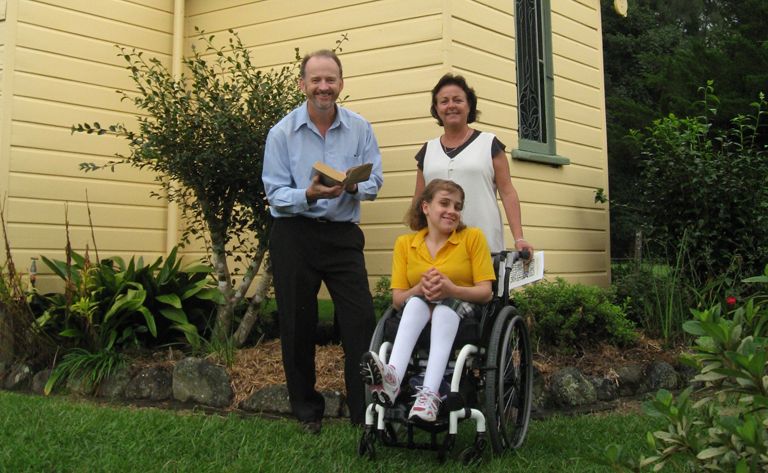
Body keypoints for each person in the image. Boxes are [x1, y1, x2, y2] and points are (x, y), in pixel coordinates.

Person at [262, 49, 384, 433]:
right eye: (316, 80)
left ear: (341, 84)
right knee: (298, 324)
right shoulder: (281, 133)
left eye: (330, 79)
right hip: (294, 235)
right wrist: (310, 194)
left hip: (343, 236)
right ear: (302, 85)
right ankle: (307, 411)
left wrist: (354, 184)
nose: (324, 87)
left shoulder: (360, 128)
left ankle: (363, 411)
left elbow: (376, 182)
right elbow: (274, 195)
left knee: (361, 320)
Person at [361, 179, 495, 422]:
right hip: (418, 308)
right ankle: (392, 380)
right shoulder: (405, 244)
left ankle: (430, 395)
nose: (452, 211)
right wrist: (419, 288)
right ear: (425, 207)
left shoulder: (471, 238)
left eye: (457, 206)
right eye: (444, 203)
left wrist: (451, 288)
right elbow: (397, 300)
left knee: (444, 310)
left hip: (461, 306)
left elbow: (486, 292)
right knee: (414, 302)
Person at [413, 73, 534, 255]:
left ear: (469, 105)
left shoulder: (489, 144)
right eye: (444, 101)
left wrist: (519, 238)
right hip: (437, 250)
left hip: (483, 245)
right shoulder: (427, 151)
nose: (451, 105)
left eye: (458, 100)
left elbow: (507, 192)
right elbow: (419, 201)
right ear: (436, 109)